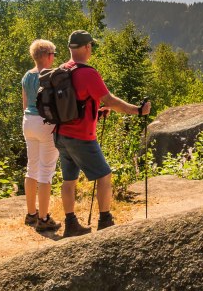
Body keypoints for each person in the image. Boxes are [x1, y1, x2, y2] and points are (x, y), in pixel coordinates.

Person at [55, 30, 151, 237]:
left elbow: (73, 104)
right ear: (87, 47)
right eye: (91, 46)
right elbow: (111, 101)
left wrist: (95, 112)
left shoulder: (63, 69)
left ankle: (71, 224)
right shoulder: (88, 73)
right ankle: (105, 221)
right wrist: (138, 110)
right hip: (81, 137)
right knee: (104, 176)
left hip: (61, 134)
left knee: (69, 180)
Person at [22, 39, 62, 232]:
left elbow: (25, 104)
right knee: (46, 172)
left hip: (28, 121)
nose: (54, 57)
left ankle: (31, 214)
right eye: (53, 54)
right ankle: (44, 219)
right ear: (47, 55)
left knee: (32, 168)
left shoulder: (26, 76)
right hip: (44, 123)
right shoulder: (51, 76)